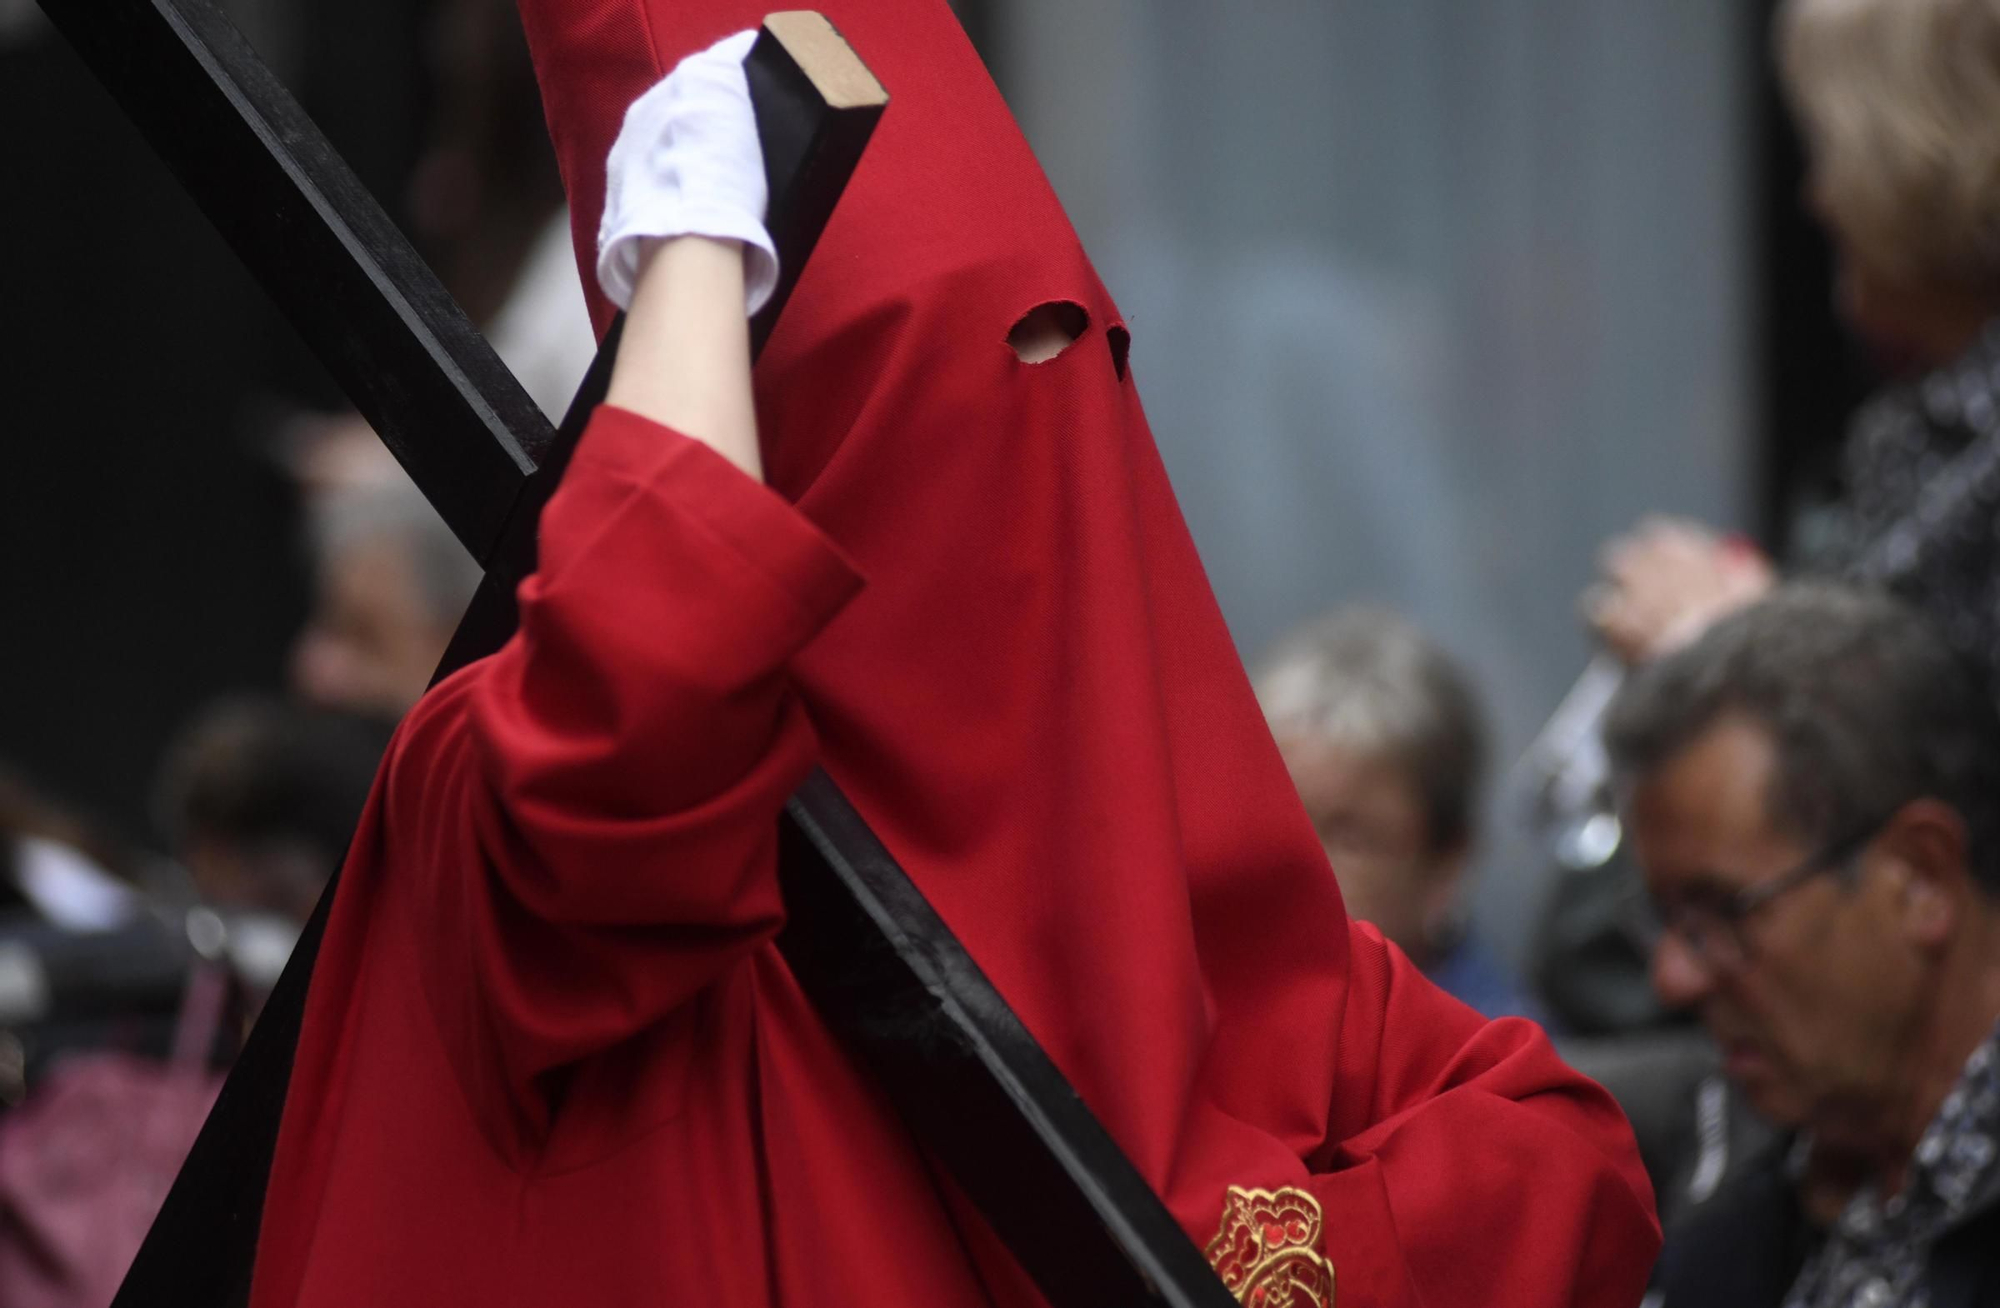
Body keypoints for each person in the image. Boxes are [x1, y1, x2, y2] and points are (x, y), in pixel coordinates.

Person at [248, 12, 1658, 1306]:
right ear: (771, 446)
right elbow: (640, 714)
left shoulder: (1150, 860)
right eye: (955, 375)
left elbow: (1573, 1170)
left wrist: (1254, 1246)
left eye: (1070, 356)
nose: (1043, 439)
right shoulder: (507, 786)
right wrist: (692, 261)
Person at [1606, 584, 2000, 1306]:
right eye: (1666, 920)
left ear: (1921, 877)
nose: (1672, 977)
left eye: (1723, 913)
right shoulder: (1725, 1191)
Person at [1588, 0, 2000, 671]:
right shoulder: (1921, 423)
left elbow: (1928, 747)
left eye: (1833, 146)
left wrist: (1730, 640)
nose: (1818, 195)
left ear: (1930, 152)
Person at [1255, 608, 1549, 1023]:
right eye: (1278, 825)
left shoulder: (1496, 1069)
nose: (1299, 870)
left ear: (1445, 863)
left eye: (1350, 840)